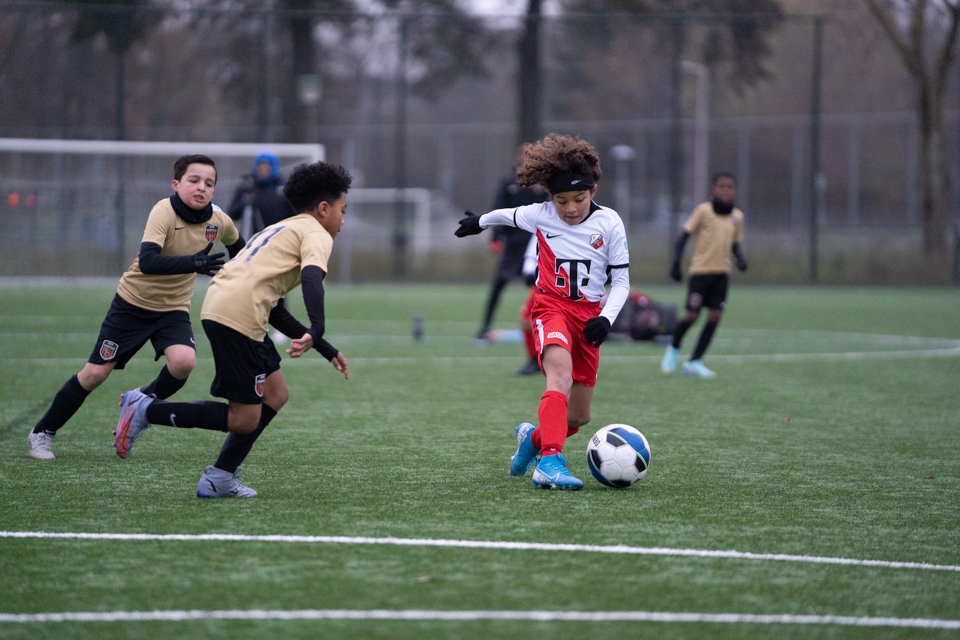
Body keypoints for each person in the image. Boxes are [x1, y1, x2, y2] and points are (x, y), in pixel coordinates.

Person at [113, 161, 351, 499]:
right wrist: (318, 326)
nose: (343, 220)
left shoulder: (282, 228)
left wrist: (323, 346)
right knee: (244, 419)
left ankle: (220, 477)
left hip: (227, 305)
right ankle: (145, 409)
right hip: (238, 315)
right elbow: (312, 278)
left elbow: (275, 310)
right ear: (324, 209)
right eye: (343, 211)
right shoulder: (316, 234)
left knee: (276, 394)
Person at [26, 155, 243, 460]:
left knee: (183, 363)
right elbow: (149, 261)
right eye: (194, 181)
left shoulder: (219, 221)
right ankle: (42, 432)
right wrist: (192, 263)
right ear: (176, 184)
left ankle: (139, 402)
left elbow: (241, 250)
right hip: (132, 306)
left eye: (209, 183)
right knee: (94, 375)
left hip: (173, 309)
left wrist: (241, 276)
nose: (201, 188)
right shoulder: (163, 211)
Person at [455, 134, 630, 490]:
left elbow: (622, 283)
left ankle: (533, 440)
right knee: (559, 377)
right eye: (561, 200)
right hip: (551, 308)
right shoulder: (542, 214)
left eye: (579, 199)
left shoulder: (610, 223)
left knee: (578, 416)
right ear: (550, 197)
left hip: (589, 316)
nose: (570, 208)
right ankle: (548, 461)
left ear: (593, 191)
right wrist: (480, 222)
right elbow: (507, 215)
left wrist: (605, 319)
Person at [660, 172, 747, 378]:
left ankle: (694, 362)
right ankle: (673, 350)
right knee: (692, 315)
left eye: (730, 187)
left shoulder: (737, 217)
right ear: (713, 189)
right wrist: (676, 264)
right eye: (722, 186)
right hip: (700, 273)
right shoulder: (703, 211)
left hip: (721, 275)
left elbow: (735, 243)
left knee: (715, 316)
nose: (726, 191)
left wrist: (740, 258)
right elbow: (684, 237)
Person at [475, 149, 548, 343]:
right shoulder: (508, 181)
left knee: (542, 288)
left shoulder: (544, 182)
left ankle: (547, 327)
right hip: (513, 245)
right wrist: (496, 237)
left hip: (537, 245)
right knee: (498, 285)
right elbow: (499, 208)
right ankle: (485, 327)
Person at [228, 151, 298, 346]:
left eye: (267, 166)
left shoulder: (284, 189)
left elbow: (295, 216)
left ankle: (280, 326)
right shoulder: (247, 187)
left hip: (279, 245)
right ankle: (250, 322)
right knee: (251, 284)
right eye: (261, 166)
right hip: (253, 246)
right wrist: (244, 201)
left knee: (278, 286)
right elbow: (232, 212)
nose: (263, 170)